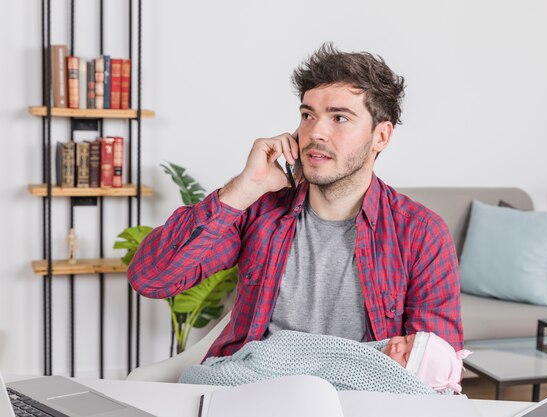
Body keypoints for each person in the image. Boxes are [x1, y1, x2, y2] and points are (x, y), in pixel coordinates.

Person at [128, 43, 463, 360]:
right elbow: (152, 279)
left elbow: (433, 367)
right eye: (308, 115)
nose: (316, 132)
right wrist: (245, 187)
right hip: (254, 388)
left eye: (339, 118)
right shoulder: (260, 209)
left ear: (381, 136)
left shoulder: (420, 233)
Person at [178, 330, 471, 395]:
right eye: (406, 338)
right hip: (285, 356)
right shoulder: (375, 350)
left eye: (405, 355)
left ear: (408, 377)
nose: (396, 343)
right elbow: (324, 354)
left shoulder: (388, 382)